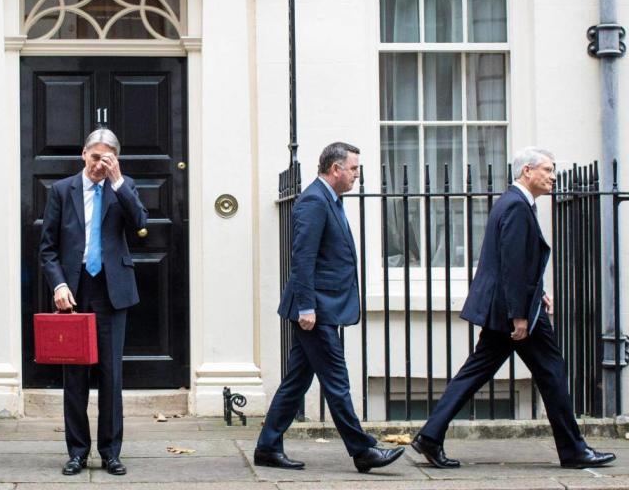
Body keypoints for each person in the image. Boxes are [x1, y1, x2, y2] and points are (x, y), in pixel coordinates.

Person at [411, 147, 616, 470]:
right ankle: (574, 450)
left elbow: (519, 260)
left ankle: (430, 436)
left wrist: (540, 292)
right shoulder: (518, 206)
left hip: (508, 306)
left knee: (479, 372)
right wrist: (519, 314)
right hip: (515, 312)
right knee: (551, 372)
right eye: (547, 169)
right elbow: (512, 264)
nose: (552, 176)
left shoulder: (514, 203)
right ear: (527, 172)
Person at [255, 142, 404, 474]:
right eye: (353, 169)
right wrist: (307, 306)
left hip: (323, 305)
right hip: (315, 309)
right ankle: (363, 450)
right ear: (335, 169)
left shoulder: (330, 200)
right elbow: (303, 259)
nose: (356, 175)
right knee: (337, 380)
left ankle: (267, 447)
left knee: (296, 381)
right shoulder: (313, 201)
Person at [39, 128, 148, 476]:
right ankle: (77, 452)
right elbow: (48, 249)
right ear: (83, 154)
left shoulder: (123, 187)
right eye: (95, 156)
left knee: (111, 375)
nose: (100, 164)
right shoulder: (61, 191)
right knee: (75, 376)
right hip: (73, 290)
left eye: (107, 158)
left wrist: (118, 182)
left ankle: (111, 452)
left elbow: (141, 224)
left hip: (111, 290)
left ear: (115, 159)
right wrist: (57, 285)